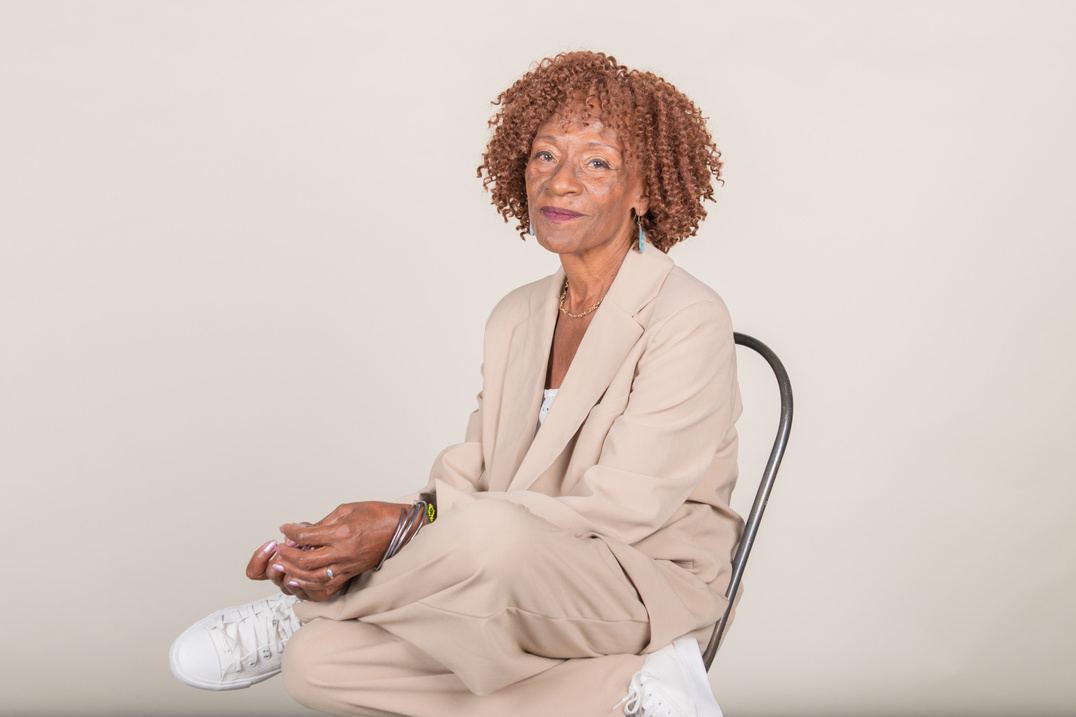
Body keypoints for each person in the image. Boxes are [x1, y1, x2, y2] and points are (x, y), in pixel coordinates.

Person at [170, 51, 741, 717]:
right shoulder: (516, 316)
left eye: (596, 162)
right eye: (543, 156)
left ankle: (299, 613)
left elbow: (622, 510)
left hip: (634, 586)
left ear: (644, 188)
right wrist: (393, 523)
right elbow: (467, 483)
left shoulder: (687, 315)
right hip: (508, 584)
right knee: (318, 667)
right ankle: (623, 688)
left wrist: (398, 535)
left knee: (486, 534)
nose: (558, 182)